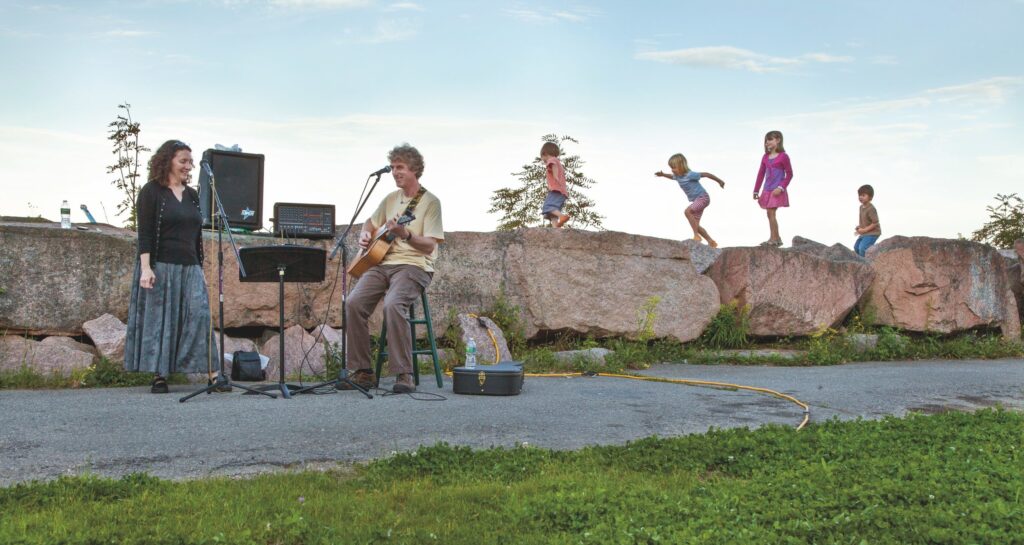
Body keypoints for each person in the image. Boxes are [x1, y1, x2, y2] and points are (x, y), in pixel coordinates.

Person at [343, 144, 444, 393]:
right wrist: (365, 234)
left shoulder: (430, 203)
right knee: (353, 303)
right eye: (393, 168)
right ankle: (364, 372)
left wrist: (406, 234)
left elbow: (430, 246)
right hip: (382, 263)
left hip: (414, 266)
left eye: (400, 167)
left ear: (414, 170)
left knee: (393, 303)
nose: (395, 172)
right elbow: (370, 221)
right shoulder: (390, 199)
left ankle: (403, 374)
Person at [124, 140, 219, 394]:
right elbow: (144, 233)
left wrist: (200, 269)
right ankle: (160, 375)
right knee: (161, 320)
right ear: (168, 161)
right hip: (161, 265)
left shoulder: (192, 195)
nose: (189, 166)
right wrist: (146, 268)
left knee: (200, 316)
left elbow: (197, 235)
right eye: (183, 161)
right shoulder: (151, 192)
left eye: (190, 161)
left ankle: (214, 374)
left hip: (190, 267)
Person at [655, 153, 726, 247]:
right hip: (697, 200)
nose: (672, 170)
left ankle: (696, 236)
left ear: (681, 166)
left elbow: (706, 174)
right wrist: (663, 175)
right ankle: (711, 241)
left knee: (687, 212)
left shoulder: (690, 175)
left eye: (674, 167)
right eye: (671, 167)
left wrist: (719, 181)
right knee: (695, 224)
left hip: (703, 198)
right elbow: (671, 177)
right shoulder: (677, 176)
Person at [752, 130, 793, 247]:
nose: (767, 143)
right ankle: (776, 238)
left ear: (778, 140)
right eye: (766, 141)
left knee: (771, 212)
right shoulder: (765, 157)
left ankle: (774, 239)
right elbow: (760, 174)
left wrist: (781, 187)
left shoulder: (783, 157)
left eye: (770, 140)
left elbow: (789, 174)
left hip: (777, 190)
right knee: (769, 214)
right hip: (767, 189)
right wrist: (756, 190)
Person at [540, 142, 571, 228]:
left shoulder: (552, 159)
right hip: (562, 192)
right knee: (552, 212)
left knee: (548, 207)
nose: (543, 160)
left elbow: (553, 165)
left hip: (556, 190)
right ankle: (555, 228)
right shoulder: (558, 162)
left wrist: (555, 176)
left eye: (542, 157)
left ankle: (562, 216)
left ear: (545, 153)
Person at [854, 184, 882, 257]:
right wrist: (859, 228)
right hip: (864, 233)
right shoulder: (861, 207)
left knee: (862, 248)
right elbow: (865, 220)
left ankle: (866, 265)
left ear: (870, 197)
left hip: (873, 233)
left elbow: (875, 223)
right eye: (859, 195)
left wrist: (864, 230)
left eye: (863, 195)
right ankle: (860, 263)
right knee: (856, 248)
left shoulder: (871, 209)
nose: (860, 197)